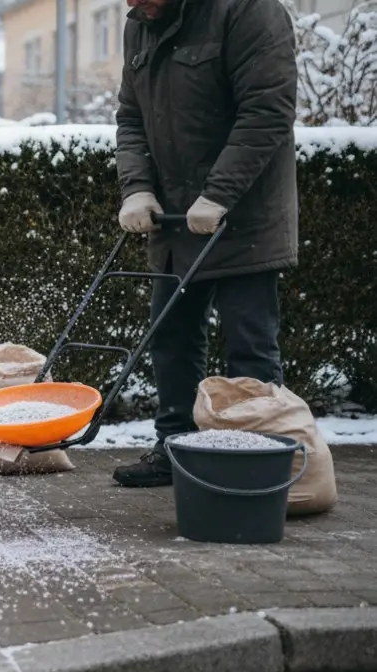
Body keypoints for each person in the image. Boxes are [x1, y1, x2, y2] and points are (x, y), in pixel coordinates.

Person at [112, 0, 298, 487]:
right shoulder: (141, 26)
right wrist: (136, 187)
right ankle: (174, 448)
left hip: (243, 218)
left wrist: (218, 194)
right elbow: (131, 117)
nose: (131, 3)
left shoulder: (248, 11)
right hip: (175, 220)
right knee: (171, 338)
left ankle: (255, 460)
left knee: (250, 348)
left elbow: (267, 111)